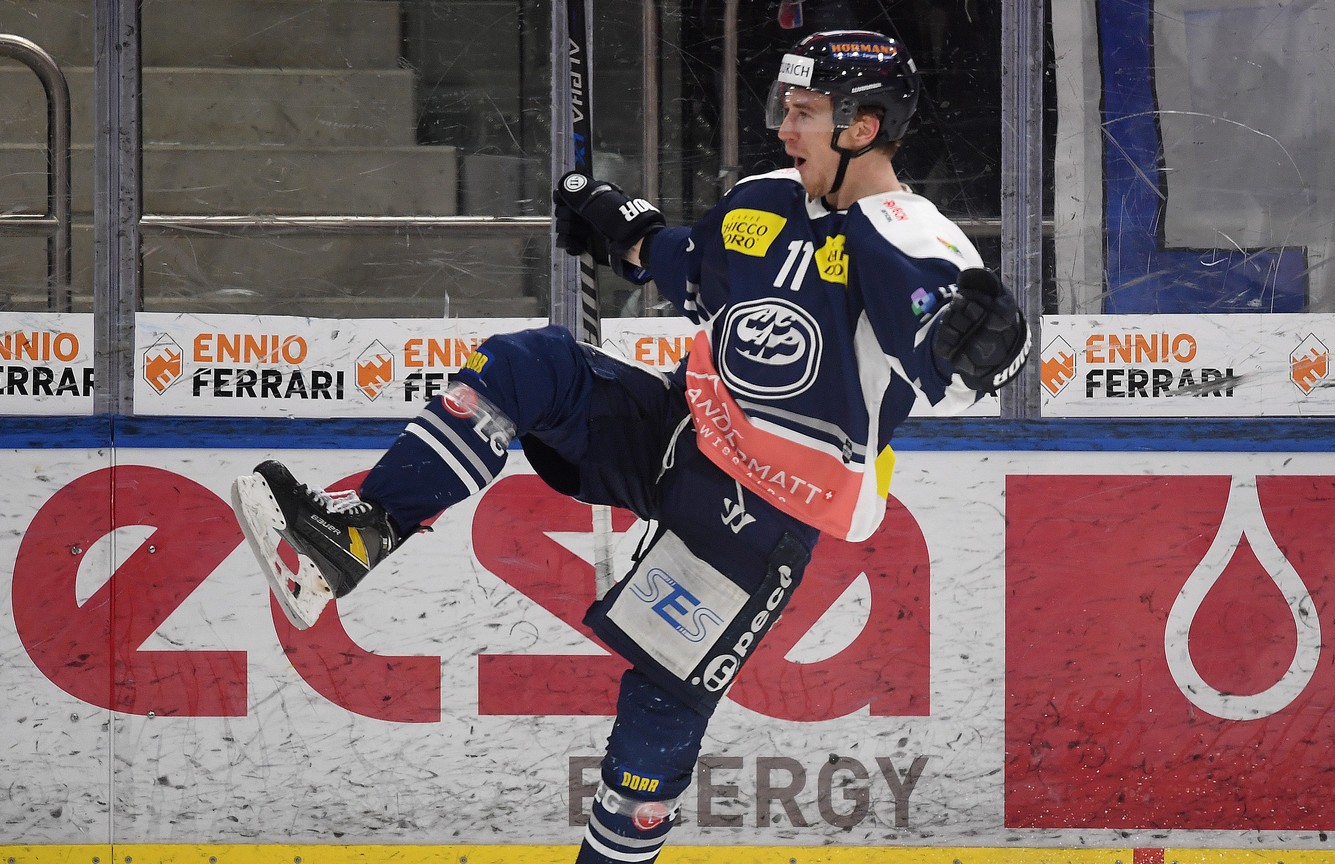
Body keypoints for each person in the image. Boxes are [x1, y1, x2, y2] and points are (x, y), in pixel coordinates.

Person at [231, 29, 1028, 863]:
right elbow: (693, 264)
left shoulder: (911, 235)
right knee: (527, 366)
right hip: (678, 433)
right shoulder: (765, 196)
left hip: (767, 509)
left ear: (862, 128)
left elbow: (950, 340)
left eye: (805, 113)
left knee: (660, 700)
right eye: (784, 109)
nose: (784, 129)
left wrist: (983, 342)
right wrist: (622, 227)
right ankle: (355, 537)